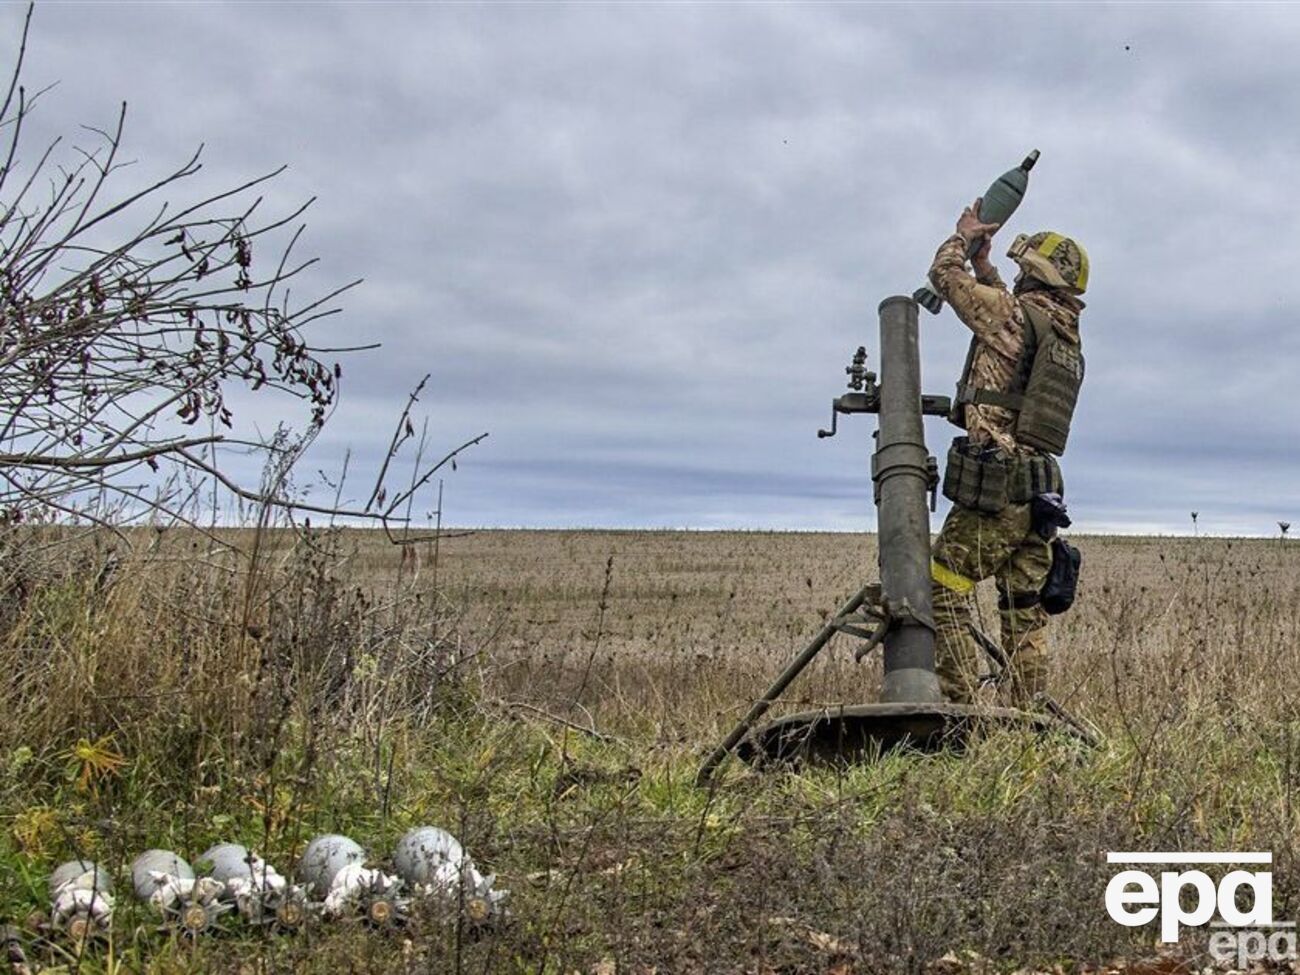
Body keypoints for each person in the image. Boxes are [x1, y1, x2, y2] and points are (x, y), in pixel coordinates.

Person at [925, 199, 1088, 706]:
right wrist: (987, 266)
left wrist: (961, 238)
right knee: (1023, 608)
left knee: (940, 590)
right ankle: (1027, 720)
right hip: (1039, 491)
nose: (1015, 279)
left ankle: (957, 710)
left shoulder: (1015, 316)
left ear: (1036, 276)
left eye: (1022, 270)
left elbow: (942, 277)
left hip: (997, 489)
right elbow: (1008, 311)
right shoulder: (1060, 331)